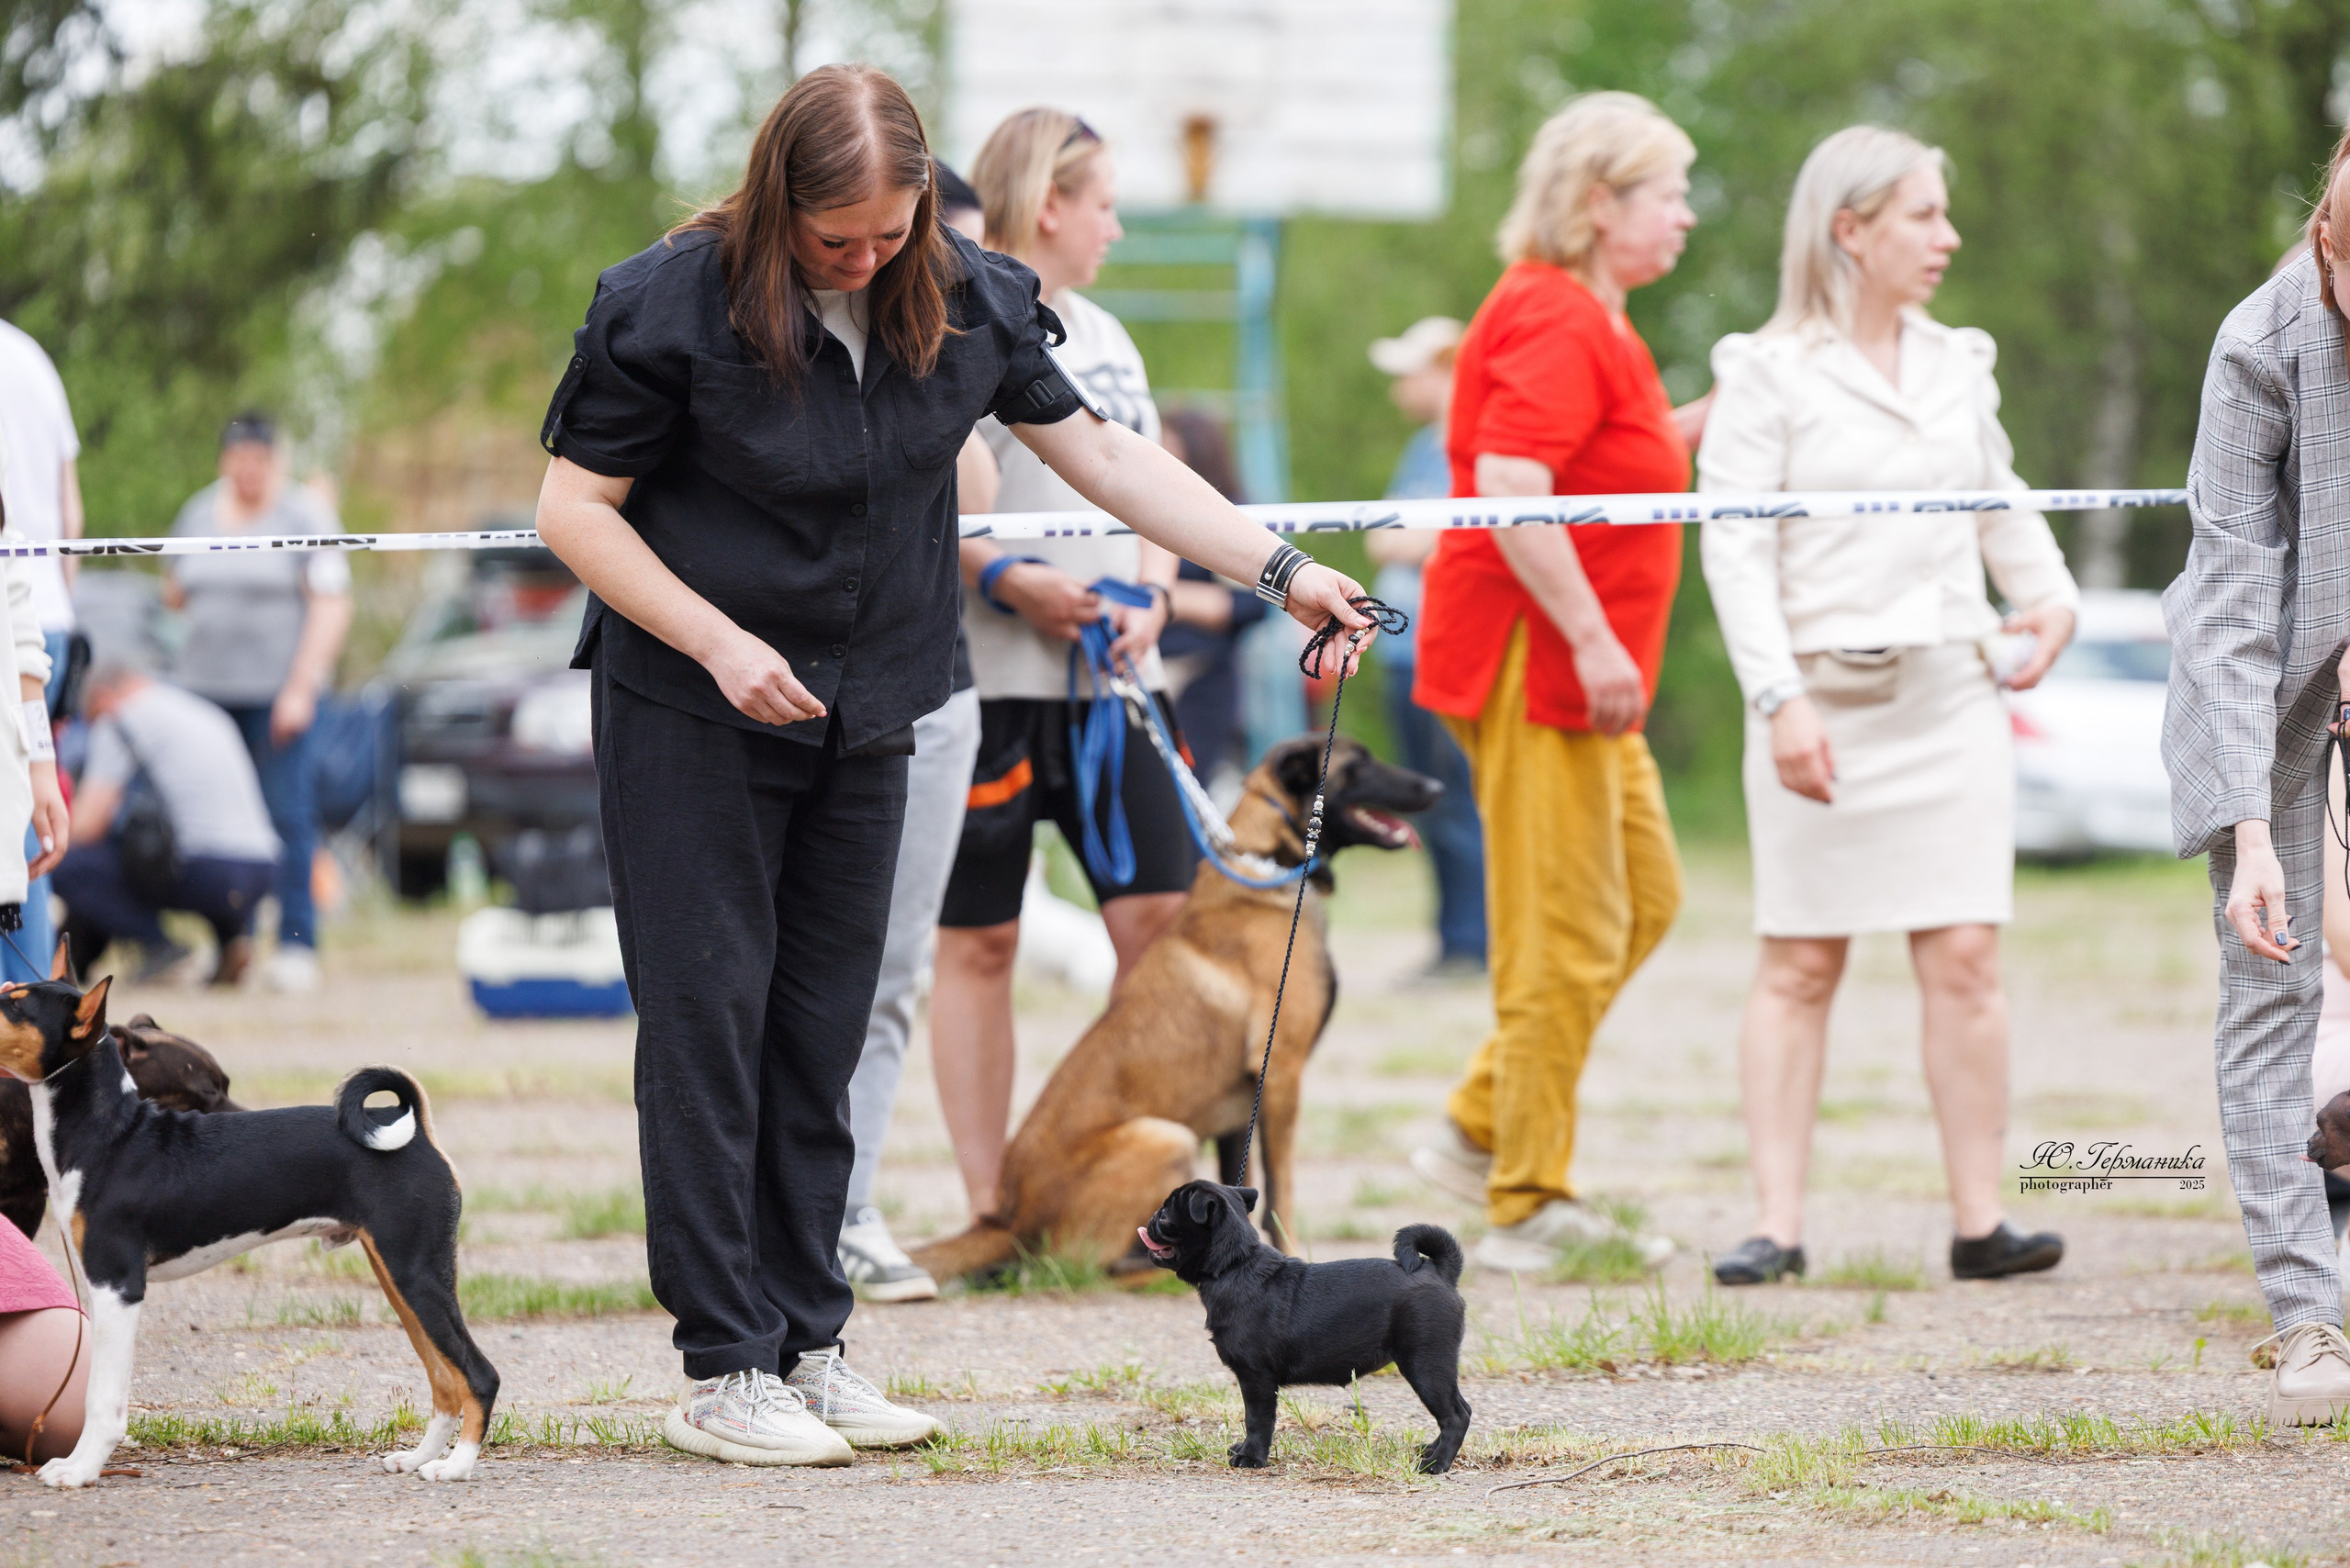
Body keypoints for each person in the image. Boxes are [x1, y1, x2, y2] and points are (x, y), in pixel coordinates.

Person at [532, 64, 1370, 1467]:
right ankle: (726, 1365)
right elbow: (573, 509)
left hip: (877, 703)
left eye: (887, 235)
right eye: (833, 242)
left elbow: (1103, 455)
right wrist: (718, 641)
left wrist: (1280, 569)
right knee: (710, 1025)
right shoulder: (665, 305)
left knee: (826, 1024)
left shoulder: (968, 293)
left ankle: (814, 1340)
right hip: (693, 707)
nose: (863, 263)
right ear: (777, 205)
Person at [1695, 127, 2079, 1287]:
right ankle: (1776, 1223)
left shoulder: (1961, 356)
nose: (1947, 237)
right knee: (1799, 962)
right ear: (1847, 229)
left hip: (1949, 697)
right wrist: (1777, 697)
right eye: (1922, 214)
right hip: (1818, 701)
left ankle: (1980, 1223)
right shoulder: (1761, 371)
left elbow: (1995, 495)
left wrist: (2048, 592)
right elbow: (1733, 550)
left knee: (1965, 956)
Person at [1404, 92, 1704, 1274]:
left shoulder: (1596, 316)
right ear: (1597, 203)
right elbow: (1514, 484)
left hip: (1575, 658)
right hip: (1537, 657)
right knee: (1564, 930)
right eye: (1666, 192)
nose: (1685, 215)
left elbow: (1603, 460)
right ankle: (1526, 1195)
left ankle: (1479, 1121)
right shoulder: (1550, 311)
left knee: (1643, 898)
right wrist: (1589, 641)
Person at [930, 106, 1198, 1225]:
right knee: (979, 943)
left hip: (1110, 691)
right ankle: (995, 1201)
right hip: (989, 687)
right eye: (1104, 206)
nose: (1117, 228)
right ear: (1050, 205)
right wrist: (1006, 581)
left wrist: (1159, 590)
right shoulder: (951, 323)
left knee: (1163, 930)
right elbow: (920, 502)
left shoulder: (1111, 338)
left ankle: (1142, 1191)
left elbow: (1144, 481)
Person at [2164, 124, 2350, 1423]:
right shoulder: (2263, 342)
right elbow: (2231, 596)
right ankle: (2309, 1318)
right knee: (2273, 974)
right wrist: (2255, 833)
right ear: (2325, 236)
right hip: (2269, 676)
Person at [832, 160, 994, 1306]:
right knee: (793, 976)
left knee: (891, 968)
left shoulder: (953, 342)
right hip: (800, 688)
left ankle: (844, 1206)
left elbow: (975, 495)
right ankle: (764, 1213)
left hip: (937, 684)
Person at [166, 413, 352, 994]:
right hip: (206, 697)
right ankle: (231, 944)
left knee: (287, 816)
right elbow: (172, 593)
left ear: (277, 461)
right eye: (238, 458)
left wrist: (301, 685)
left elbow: (331, 603)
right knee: (218, 826)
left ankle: (297, 943)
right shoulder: (197, 513)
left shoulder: (305, 513)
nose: (248, 470)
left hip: (279, 697)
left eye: (259, 460)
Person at [1364, 317, 1487, 976]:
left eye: (1414, 370)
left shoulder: (1473, 447)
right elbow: (1391, 538)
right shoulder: (1423, 448)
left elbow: (1436, 539)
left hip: (1451, 649)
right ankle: (1453, 940)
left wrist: (1412, 539)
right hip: (1404, 650)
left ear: (1448, 370)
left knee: (1460, 799)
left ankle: (1474, 943)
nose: (1401, 386)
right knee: (1432, 801)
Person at [52, 657, 280, 984]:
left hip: (207, 869)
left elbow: (88, 825)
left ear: (101, 696)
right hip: (260, 867)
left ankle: (161, 949)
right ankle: (233, 939)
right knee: (145, 844)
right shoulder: (200, 710)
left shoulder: (121, 719)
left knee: (72, 865)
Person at [0, 319, 85, 986]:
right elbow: (69, 506)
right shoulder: (30, 353)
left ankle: (31, 1049)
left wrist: (38, 759)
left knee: (21, 834)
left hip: (24, 623)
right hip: (46, 606)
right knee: (23, 834)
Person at [1157, 408, 1267, 785]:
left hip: (1201, 673)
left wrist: (1164, 596)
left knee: (1185, 789)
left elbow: (1250, 604)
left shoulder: (1229, 512)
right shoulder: (1147, 508)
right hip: (1141, 665)